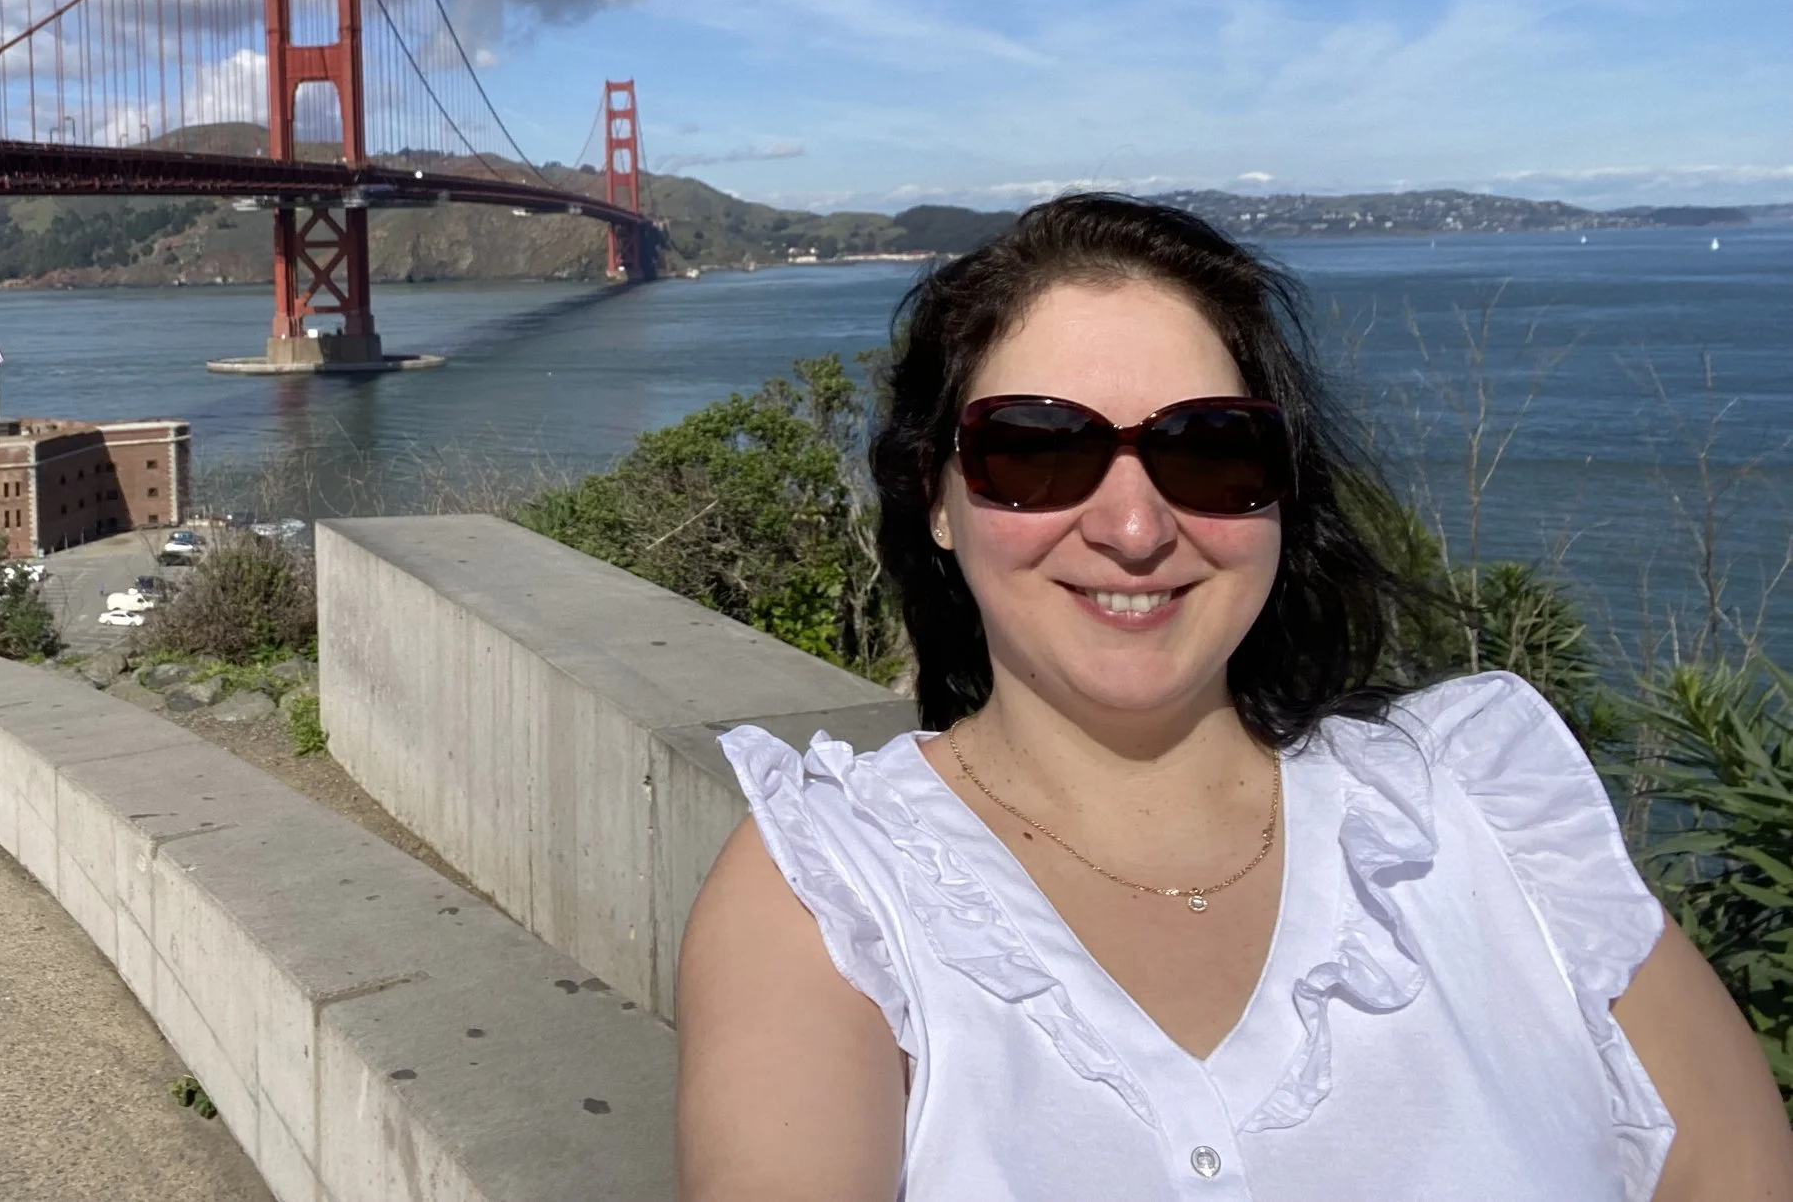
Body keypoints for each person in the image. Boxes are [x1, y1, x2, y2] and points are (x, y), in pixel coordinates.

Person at [677, 195, 1791, 1202]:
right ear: (937, 498)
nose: (1132, 526)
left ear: (1278, 495)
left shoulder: (1480, 815)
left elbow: (1732, 1167)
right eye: (1036, 450)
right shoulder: (832, 893)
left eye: (1209, 450)